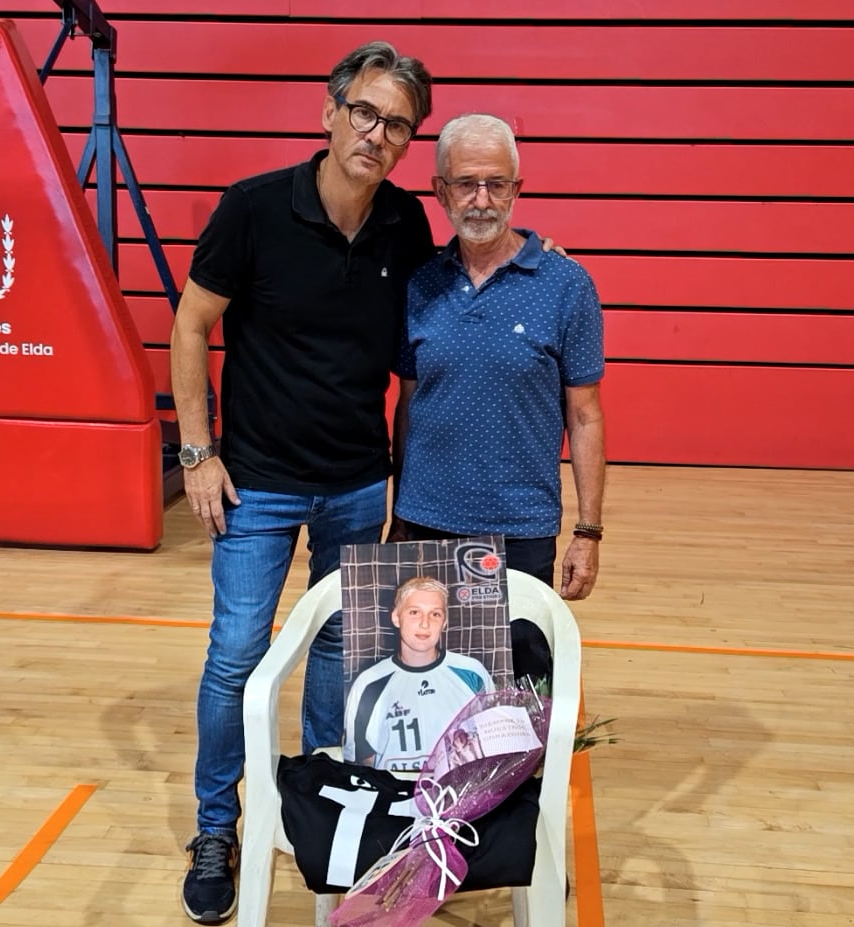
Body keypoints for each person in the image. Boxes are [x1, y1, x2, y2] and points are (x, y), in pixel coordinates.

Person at [167, 42, 435, 925]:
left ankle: (317, 803)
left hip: (357, 484)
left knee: (336, 653)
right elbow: (191, 324)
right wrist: (197, 454)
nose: (377, 133)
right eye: (364, 111)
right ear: (329, 112)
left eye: (397, 123)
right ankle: (218, 825)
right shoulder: (252, 210)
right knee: (238, 654)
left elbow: (434, 331)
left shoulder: (404, 225)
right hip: (258, 485)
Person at [390, 114, 607, 617]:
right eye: (466, 183)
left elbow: (585, 415)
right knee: (429, 679)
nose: (482, 199)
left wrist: (588, 532)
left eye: (496, 184)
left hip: (522, 527)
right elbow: (408, 406)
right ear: (441, 191)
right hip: (425, 521)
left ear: (516, 189)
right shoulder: (419, 284)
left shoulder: (567, 284)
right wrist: (399, 514)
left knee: (521, 687)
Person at [343, 576, 495, 772]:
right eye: (414, 612)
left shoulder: (473, 673)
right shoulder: (369, 682)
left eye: (435, 614)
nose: (425, 624)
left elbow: (493, 740)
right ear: (396, 617)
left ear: (445, 622)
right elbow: (362, 757)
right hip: (393, 792)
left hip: (460, 791)